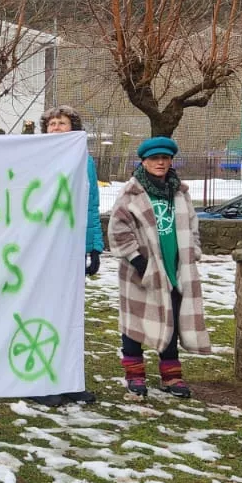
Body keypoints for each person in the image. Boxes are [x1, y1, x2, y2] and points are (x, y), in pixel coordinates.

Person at [107, 137, 212, 398]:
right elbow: (118, 230)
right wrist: (139, 262)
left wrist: (193, 251)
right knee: (135, 324)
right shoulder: (131, 193)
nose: (161, 163)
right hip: (140, 273)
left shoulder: (180, 192)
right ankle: (135, 375)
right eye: (155, 158)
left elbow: (193, 226)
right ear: (144, 161)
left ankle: (172, 377)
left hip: (175, 269)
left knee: (172, 321)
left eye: (165, 158)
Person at [31, 105, 101, 406]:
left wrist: (93, 245)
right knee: (41, 312)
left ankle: (69, 378)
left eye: (63, 123)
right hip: (40, 247)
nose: (57, 128)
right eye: (52, 124)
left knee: (69, 316)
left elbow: (90, 204)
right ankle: (37, 379)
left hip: (71, 248)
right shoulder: (34, 157)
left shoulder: (85, 161)